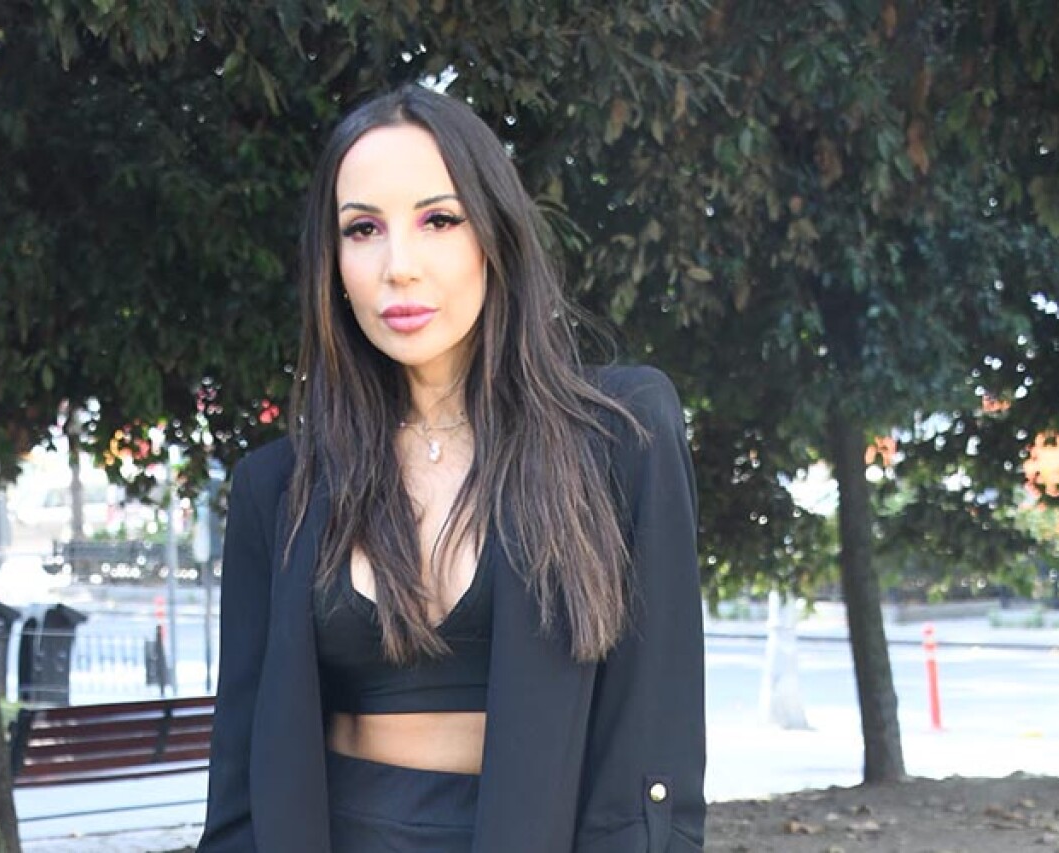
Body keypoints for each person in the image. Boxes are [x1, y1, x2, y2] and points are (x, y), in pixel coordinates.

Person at [198, 84, 705, 853]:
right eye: (363, 229)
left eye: (438, 219)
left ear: (494, 236)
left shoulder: (618, 433)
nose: (398, 266)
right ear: (334, 264)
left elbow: (652, 745)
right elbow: (240, 790)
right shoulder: (279, 488)